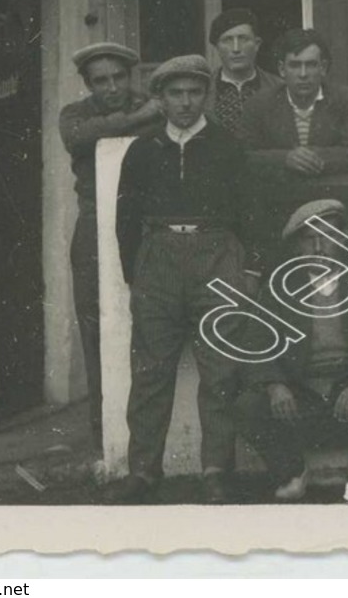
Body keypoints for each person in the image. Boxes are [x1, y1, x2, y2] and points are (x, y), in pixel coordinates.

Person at [104, 55, 248, 504]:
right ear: (161, 99)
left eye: (194, 93)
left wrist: (242, 271)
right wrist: (139, 275)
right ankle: (144, 472)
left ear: (205, 96)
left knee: (220, 371)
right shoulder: (143, 150)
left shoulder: (228, 147)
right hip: (159, 259)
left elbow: (250, 213)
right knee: (150, 372)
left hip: (217, 255)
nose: (185, 103)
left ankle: (215, 470)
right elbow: (125, 218)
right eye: (175, 94)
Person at [231, 200, 348, 502]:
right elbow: (254, 348)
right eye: (310, 239)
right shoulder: (278, 287)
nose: (319, 247)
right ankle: (292, 473)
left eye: (328, 237)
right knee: (248, 405)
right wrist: (274, 386)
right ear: (298, 247)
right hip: (300, 394)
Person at [57, 41, 163, 445]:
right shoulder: (75, 113)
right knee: (93, 318)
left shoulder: (156, 104)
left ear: (131, 76)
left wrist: (140, 116)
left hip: (146, 220)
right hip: (94, 221)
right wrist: (136, 117)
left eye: (119, 77)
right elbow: (79, 138)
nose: (112, 87)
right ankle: (103, 421)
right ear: (88, 84)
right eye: (101, 81)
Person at [240, 28, 348, 177]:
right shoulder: (258, 104)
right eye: (294, 65)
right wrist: (285, 158)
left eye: (311, 65)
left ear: (323, 68)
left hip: (332, 190)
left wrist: (311, 157)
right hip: (278, 194)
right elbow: (244, 156)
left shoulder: (346, 100)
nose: (303, 74)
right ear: (282, 69)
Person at [204, 8, 283, 140]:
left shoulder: (280, 88)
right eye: (227, 40)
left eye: (243, 39)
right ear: (217, 47)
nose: (236, 49)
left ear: (257, 44)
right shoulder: (203, 89)